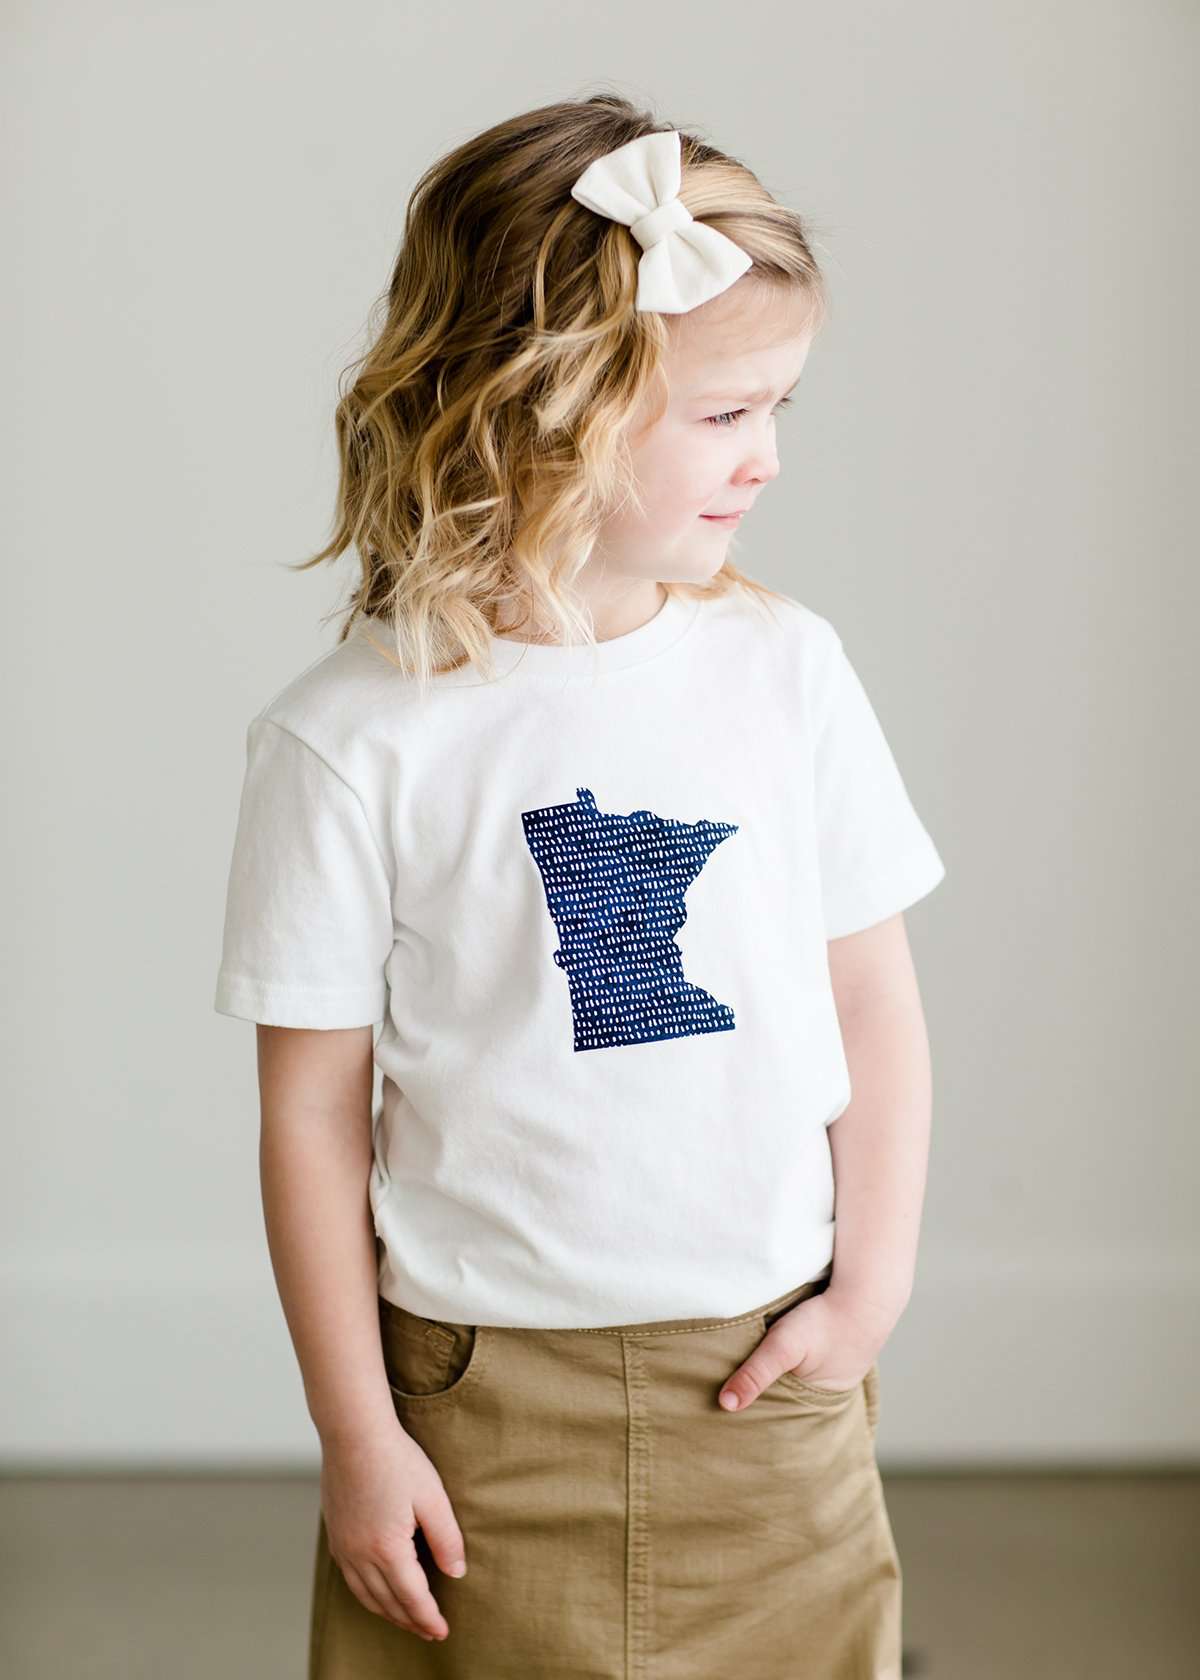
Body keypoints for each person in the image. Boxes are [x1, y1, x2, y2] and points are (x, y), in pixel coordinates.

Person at [213, 92, 947, 1680]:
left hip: (766, 1378)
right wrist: (359, 1436)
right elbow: (311, 1115)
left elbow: (871, 1004)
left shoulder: (787, 674)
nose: (766, 459)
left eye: (781, 408)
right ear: (538, 407)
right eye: (723, 414)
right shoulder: (350, 743)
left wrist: (867, 1293)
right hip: (480, 1411)